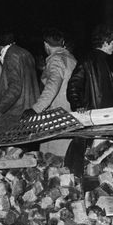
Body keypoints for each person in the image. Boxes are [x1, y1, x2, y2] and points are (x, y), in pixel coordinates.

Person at [65, 24, 113, 175]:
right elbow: (73, 85)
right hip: (94, 119)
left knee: (98, 157)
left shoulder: (101, 60)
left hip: (102, 118)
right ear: (106, 43)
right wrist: (78, 105)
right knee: (92, 158)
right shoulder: (89, 60)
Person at [24, 28, 77, 157]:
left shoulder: (56, 59)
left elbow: (53, 84)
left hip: (57, 115)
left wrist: (36, 109)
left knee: (53, 157)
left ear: (46, 44)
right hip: (69, 112)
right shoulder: (71, 58)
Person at [0, 29, 39, 118]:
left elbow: (15, 87)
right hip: (31, 107)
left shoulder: (11, 56)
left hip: (18, 111)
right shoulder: (25, 52)